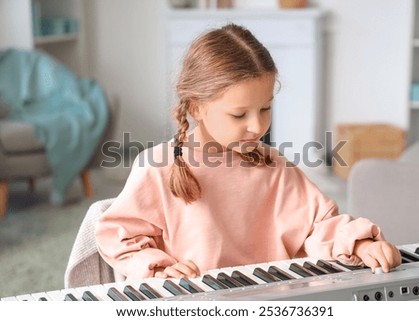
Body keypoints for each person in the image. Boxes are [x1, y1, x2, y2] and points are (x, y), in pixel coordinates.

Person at [95, 23, 401, 281]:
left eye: (265, 108)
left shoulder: (273, 166)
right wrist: (161, 268)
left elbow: (318, 226)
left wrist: (359, 245)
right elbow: (118, 237)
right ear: (197, 107)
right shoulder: (158, 166)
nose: (257, 126)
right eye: (239, 115)